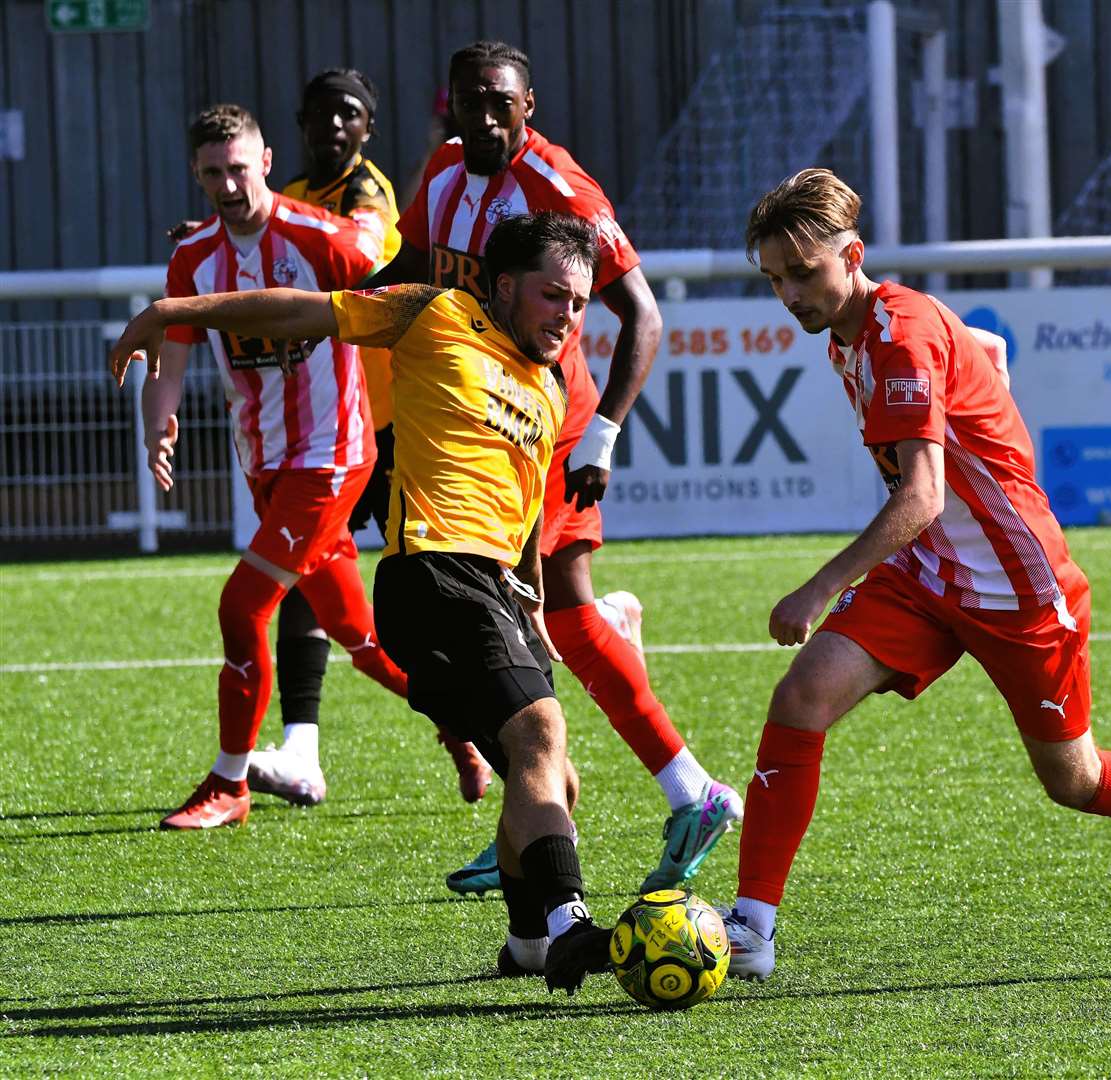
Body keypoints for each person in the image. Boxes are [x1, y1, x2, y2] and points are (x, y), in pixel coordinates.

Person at [717, 169, 1111, 981]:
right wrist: (982, 368)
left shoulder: (896, 333)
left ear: (850, 255)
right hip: (926, 578)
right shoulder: (854, 331)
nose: (788, 293)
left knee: (1073, 779)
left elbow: (923, 496)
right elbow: (974, 354)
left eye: (801, 272)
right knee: (799, 699)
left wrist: (817, 587)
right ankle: (752, 926)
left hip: (1017, 587)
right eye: (773, 279)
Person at [110, 211, 618, 994]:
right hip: (433, 575)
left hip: (500, 594)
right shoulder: (436, 312)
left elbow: (523, 526)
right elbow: (295, 307)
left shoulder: (548, 392)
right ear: (505, 285)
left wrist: (539, 616)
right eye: (554, 296)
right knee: (539, 733)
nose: (567, 316)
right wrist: (173, 312)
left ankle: (524, 944)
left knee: (552, 778)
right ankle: (570, 924)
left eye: (580, 304)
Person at [372, 40, 741, 897]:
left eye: (502, 102)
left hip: (545, 423)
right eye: (472, 101)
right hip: (470, 420)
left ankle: (688, 794)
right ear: (451, 104)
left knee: (555, 614)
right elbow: (412, 274)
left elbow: (640, 314)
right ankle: (535, 818)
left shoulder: (558, 187)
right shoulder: (439, 174)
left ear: (527, 106)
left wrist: (603, 434)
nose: (487, 116)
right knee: (514, 621)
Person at [114, 103, 410, 829]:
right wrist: (160, 421)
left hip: (333, 458)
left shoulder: (321, 239)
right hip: (266, 463)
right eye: (212, 172)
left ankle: (229, 783)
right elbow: (175, 350)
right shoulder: (194, 259)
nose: (227, 183)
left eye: (239, 167)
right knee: (356, 634)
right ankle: (467, 723)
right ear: (196, 174)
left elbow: (401, 290)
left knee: (241, 605)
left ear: (267, 161)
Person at [250, 68, 495, 809]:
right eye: (321, 114)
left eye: (348, 116)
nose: (333, 127)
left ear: (366, 131)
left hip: (393, 423)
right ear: (300, 121)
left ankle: (491, 717)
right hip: (338, 427)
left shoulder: (370, 195)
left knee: (434, 591)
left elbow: (356, 257)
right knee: (302, 575)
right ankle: (302, 749)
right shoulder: (291, 196)